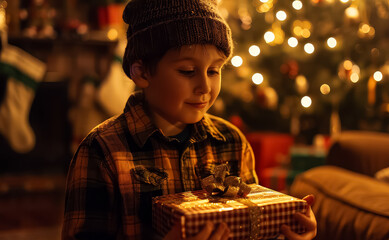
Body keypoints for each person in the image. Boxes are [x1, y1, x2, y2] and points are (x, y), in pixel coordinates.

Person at [61, 0, 317, 239]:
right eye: (187, 71)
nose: (204, 86)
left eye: (214, 70)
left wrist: (287, 230)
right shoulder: (101, 151)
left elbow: (250, 225)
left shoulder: (232, 142)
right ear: (141, 72)